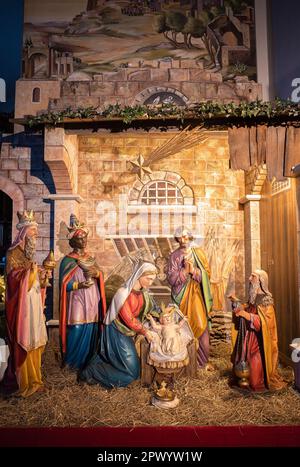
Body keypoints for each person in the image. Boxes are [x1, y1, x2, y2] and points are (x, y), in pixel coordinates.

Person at [79, 261, 159, 388]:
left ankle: (97, 368)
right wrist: (146, 331)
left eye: (152, 280)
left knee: (132, 370)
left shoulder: (144, 293)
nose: (150, 283)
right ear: (139, 275)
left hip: (128, 332)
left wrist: (164, 315)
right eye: (148, 279)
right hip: (117, 332)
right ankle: (92, 372)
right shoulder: (123, 293)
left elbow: (154, 307)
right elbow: (129, 319)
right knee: (132, 375)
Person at [0, 211, 50, 397]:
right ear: (23, 232)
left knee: (35, 340)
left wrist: (43, 276)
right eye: (33, 230)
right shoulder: (13, 253)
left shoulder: (27, 255)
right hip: (21, 307)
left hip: (32, 304)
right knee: (25, 340)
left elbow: (32, 279)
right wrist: (32, 272)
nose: (36, 234)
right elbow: (13, 280)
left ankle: (35, 379)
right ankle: (24, 382)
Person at [59, 214, 106, 370]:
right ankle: (71, 362)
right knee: (77, 327)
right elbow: (63, 285)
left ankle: (87, 361)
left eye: (85, 237)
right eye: (80, 238)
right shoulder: (67, 260)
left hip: (92, 298)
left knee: (92, 327)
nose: (83, 241)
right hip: (77, 299)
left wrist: (96, 274)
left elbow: (100, 274)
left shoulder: (90, 257)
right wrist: (79, 285)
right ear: (72, 241)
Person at [231, 269, 286, 392]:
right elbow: (248, 308)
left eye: (253, 277)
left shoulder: (267, 303)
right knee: (242, 370)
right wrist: (238, 305)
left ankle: (263, 376)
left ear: (260, 281)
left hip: (260, 343)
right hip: (248, 339)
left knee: (255, 382)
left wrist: (246, 315)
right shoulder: (253, 298)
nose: (249, 279)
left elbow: (265, 325)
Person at [167, 227, 213, 368]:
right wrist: (184, 271)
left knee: (200, 325)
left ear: (191, 237)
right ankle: (185, 361)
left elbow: (207, 274)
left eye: (186, 236)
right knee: (182, 328)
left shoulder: (198, 253)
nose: (184, 239)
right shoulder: (174, 256)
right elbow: (171, 279)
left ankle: (202, 362)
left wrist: (194, 271)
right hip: (181, 296)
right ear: (177, 239)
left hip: (196, 294)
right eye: (180, 237)